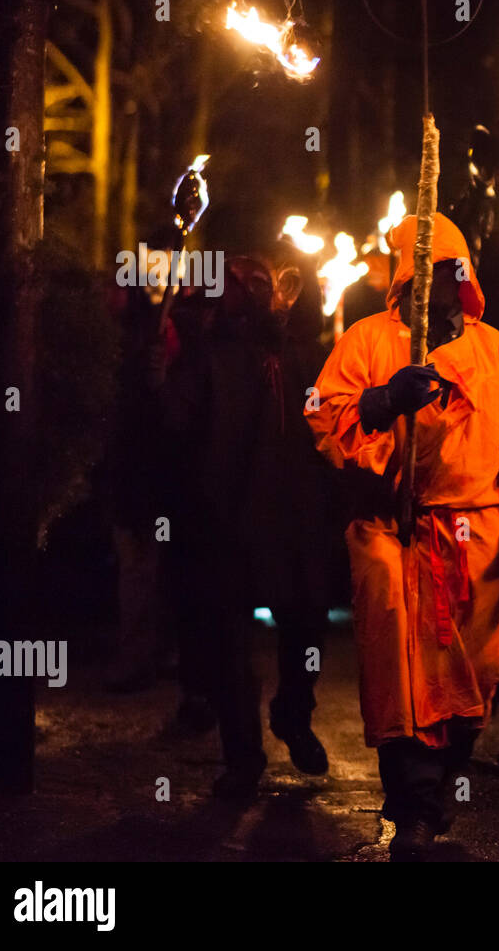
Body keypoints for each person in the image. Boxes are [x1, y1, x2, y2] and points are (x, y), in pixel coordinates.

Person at [306, 213, 499, 859]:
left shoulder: (495, 350)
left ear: (464, 274)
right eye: (426, 271)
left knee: (472, 674)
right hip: (393, 532)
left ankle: (439, 787)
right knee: (402, 672)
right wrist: (378, 403)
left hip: (474, 534)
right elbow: (323, 412)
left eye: (450, 270)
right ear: (404, 277)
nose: (439, 283)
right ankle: (415, 805)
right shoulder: (367, 340)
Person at [161, 251, 336, 797]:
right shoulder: (209, 356)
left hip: (296, 516)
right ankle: (242, 758)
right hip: (229, 519)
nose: (263, 296)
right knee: (229, 644)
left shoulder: (310, 356)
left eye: (273, 287)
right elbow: (178, 428)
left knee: (307, 622)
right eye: (249, 286)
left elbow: (339, 422)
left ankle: (293, 714)